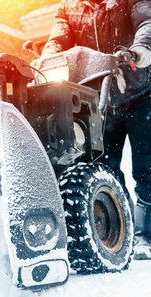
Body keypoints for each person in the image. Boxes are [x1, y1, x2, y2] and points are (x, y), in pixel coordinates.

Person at [40, 0, 151, 259]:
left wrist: (140, 49)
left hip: (141, 93)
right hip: (97, 100)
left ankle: (147, 234)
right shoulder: (69, 7)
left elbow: (146, 21)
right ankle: (124, 231)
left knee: (147, 168)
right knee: (104, 169)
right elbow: (58, 40)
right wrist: (47, 59)